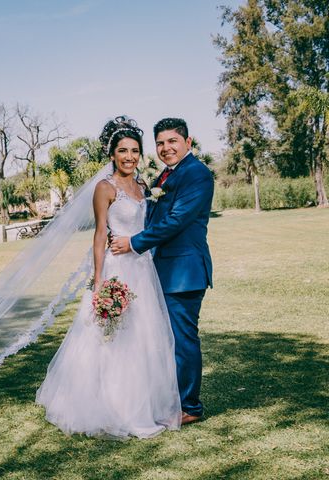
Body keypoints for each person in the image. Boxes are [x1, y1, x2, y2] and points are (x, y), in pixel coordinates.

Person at [36, 116, 182, 439]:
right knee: (114, 339)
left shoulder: (145, 187)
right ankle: (112, 406)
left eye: (134, 151)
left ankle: (144, 404)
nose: (129, 157)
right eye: (122, 151)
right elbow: (100, 234)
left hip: (143, 269)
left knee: (146, 338)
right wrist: (99, 280)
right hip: (118, 269)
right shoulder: (105, 188)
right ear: (112, 155)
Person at [110, 118, 214, 425]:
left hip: (184, 271)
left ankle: (190, 407)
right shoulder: (166, 176)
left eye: (172, 141)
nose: (166, 148)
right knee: (167, 339)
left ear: (187, 142)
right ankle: (172, 399)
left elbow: (177, 221)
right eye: (160, 143)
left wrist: (133, 243)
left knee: (182, 340)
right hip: (162, 269)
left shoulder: (196, 174)